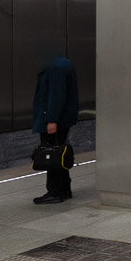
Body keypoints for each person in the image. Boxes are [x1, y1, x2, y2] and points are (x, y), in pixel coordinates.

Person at [32, 53, 79, 204]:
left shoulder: (55, 67)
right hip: (62, 117)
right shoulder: (63, 63)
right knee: (59, 152)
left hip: (54, 119)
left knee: (51, 154)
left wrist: (52, 119)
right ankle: (64, 188)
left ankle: (55, 191)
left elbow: (55, 95)